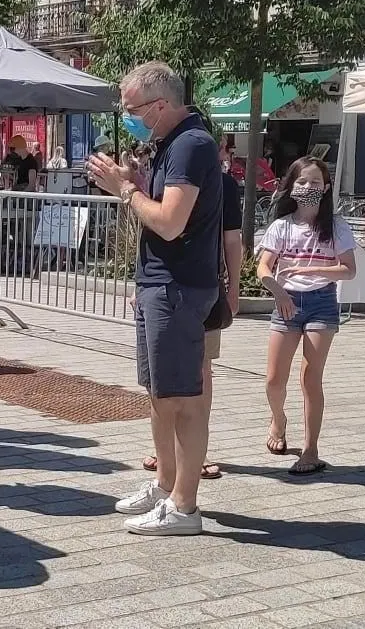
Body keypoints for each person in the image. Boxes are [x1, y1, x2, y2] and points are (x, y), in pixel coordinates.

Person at [86, 62, 221, 537]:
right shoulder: (171, 144)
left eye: (132, 109)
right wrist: (135, 184)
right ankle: (166, 486)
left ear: (160, 105)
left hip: (177, 287)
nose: (127, 117)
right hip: (161, 284)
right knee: (161, 394)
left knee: (182, 399)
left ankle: (184, 507)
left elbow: (169, 221)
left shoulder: (190, 144)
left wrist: (124, 190)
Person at [142, 129, 243, 481]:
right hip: (167, 286)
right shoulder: (168, 175)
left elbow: (232, 240)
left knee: (199, 373)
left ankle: (194, 455)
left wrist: (232, 287)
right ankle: (168, 457)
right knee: (163, 380)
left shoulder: (224, 185)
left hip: (198, 288)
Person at [256, 157, 357, 477]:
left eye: (315, 182)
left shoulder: (336, 226)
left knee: (310, 377)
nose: (308, 188)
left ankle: (311, 448)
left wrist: (306, 268)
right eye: (302, 182)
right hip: (287, 302)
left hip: (321, 302)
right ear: (291, 186)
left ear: (326, 188)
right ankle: (278, 419)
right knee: (274, 380)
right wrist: (278, 290)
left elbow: (348, 270)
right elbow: (263, 267)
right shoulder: (281, 226)